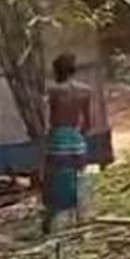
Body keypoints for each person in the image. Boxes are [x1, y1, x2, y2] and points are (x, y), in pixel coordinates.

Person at [42, 53, 92, 235]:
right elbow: (87, 123)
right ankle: (81, 221)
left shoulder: (53, 91)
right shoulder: (85, 91)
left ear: (56, 71)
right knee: (79, 180)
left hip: (57, 140)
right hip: (76, 140)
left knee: (52, 181)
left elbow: (48, 120)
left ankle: (49, 221)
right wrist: (77, 137)